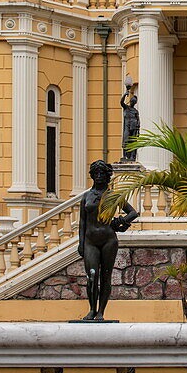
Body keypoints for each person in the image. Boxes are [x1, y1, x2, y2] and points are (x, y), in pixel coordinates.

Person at [77, 160, 139, 321]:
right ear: (92, 175)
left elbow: (133, 212)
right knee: (91, 276)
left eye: (102, 174)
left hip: (108, 240)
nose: (99, 176)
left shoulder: (112, 196)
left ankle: (101, 312)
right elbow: (82, 222)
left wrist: (121, 222)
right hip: (90, 241)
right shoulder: (86, 196)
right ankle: (91, 309)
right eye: (96, 173)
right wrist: (80, 243)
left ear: (107, 176)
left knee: (106, 276)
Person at [120, 88, 140, 160]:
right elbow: (121, 102)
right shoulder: (126, 108)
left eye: (134, 102)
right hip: (127, 126)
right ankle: (124, 156)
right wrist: (125, 95)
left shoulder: (135, 111)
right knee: (125, 140)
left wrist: (138, 130)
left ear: (135, 103)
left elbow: (138, 120)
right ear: (130, 101)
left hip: (134, 127)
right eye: (132, 101)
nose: (132, 103)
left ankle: (132, 156)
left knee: (133, 141)